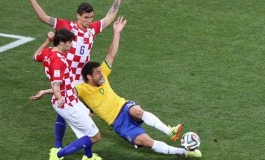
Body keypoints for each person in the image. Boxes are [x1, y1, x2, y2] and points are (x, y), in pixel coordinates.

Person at [33, 17, 203, 158]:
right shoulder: (82, 89)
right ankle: (184, 152)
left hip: (124, 107)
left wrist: (116, 32)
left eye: (101, 71)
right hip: (118, 123)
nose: (102, 74)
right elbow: (64, 90)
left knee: (136, 110)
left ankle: (169, 130)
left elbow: (111, 54)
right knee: (145, 142)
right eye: (98, 73)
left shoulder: (103, 76)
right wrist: (47, 91)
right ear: (89, 77)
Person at [29, 1, 121, 158]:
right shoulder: (66, 26)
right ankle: (57, 148)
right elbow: (44, 17)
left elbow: (109, 17)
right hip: (67, 77)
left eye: (91, 17)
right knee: (65, 112)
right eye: (86, 17)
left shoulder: (92, 29)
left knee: (87, 115)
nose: (89, 21)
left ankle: (87, 155)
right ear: (78, 15)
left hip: (84, 79)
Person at [34, 28, 101, 160]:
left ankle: (88, 156)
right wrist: (59, 98)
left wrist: (48, 40)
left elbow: (35, 56)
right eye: (69, 43)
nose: (71, 45)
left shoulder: (47, 53)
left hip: (70, 99)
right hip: (67, 103)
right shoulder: (57, 61)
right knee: (95, 136)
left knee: (89, 115)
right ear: (61, 43)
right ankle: (58, 155)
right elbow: (56, 84)